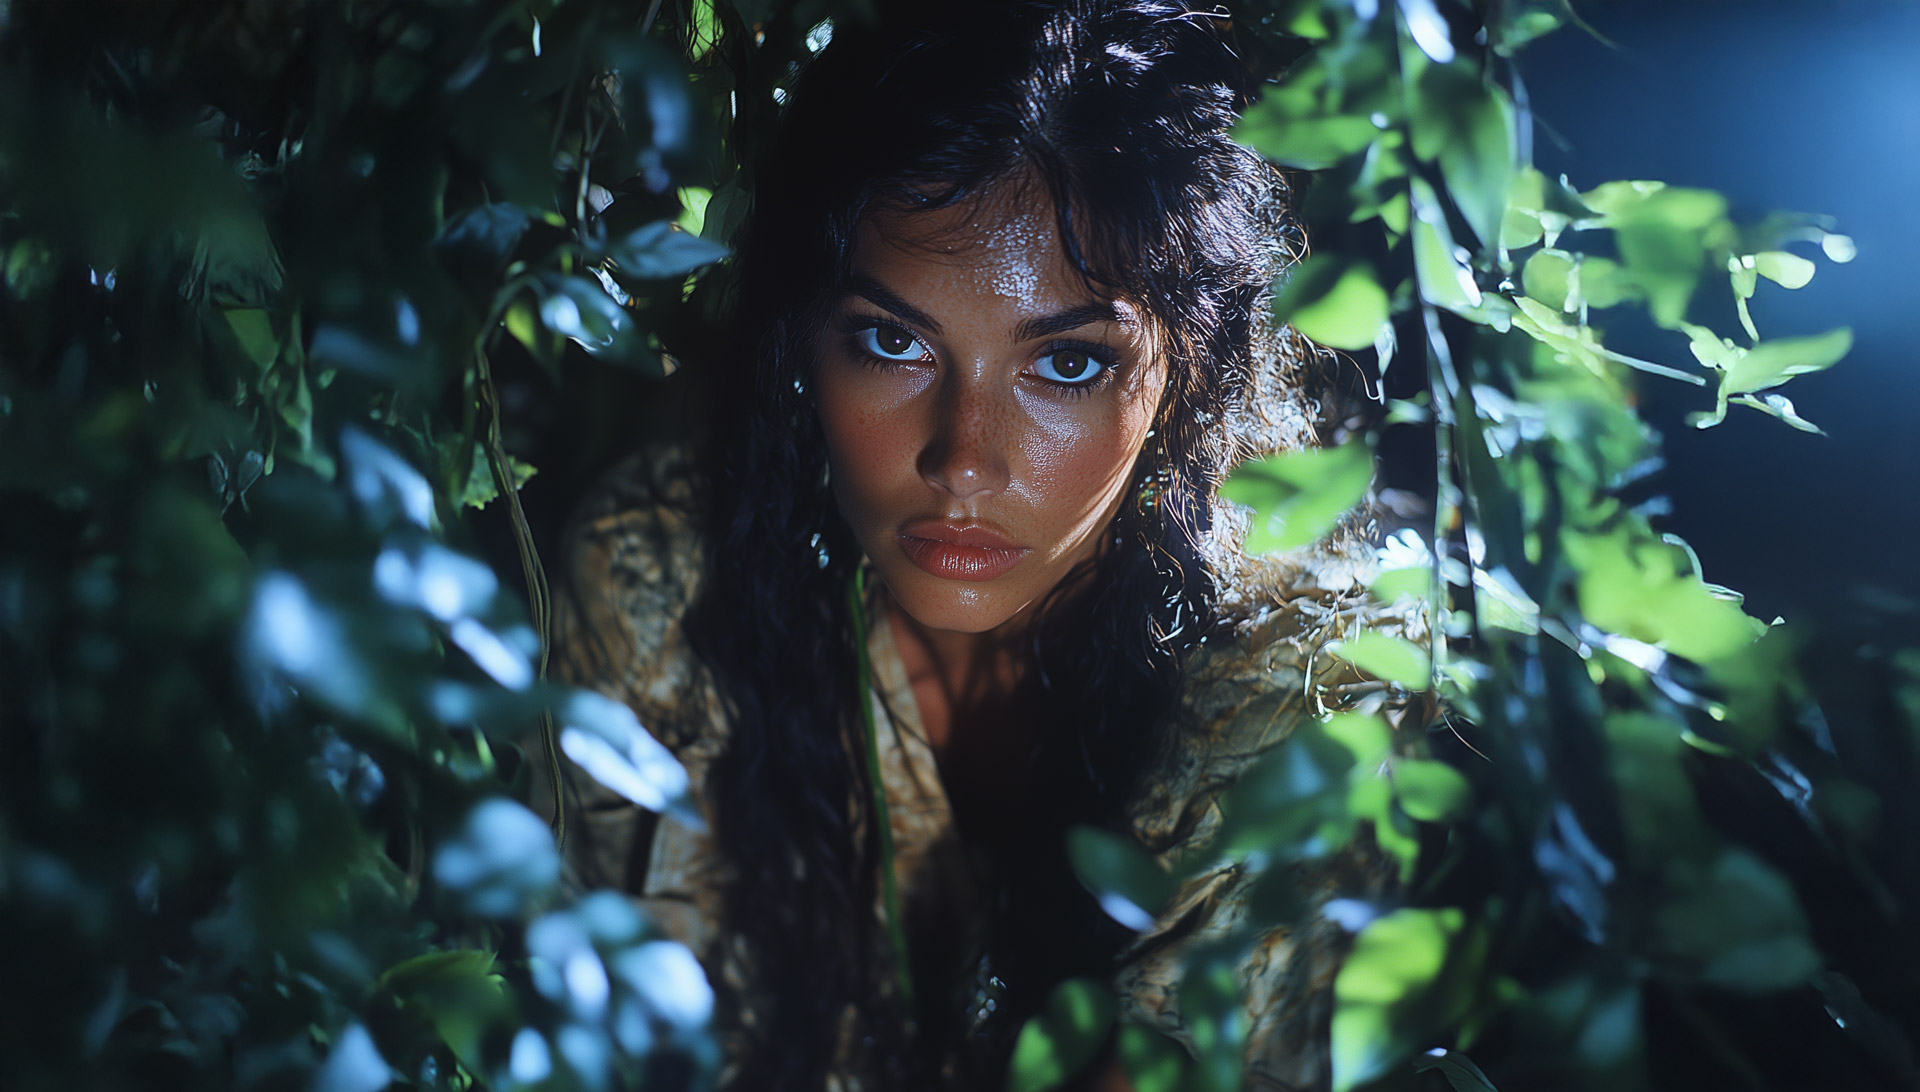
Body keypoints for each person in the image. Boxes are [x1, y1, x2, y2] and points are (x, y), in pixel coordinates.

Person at [542, 2, 1428, 1089]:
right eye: (891, 342)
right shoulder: (660, 578)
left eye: (1068, 364)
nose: (964, 461)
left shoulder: (1311, 698)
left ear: (1184, 380)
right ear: (802, 345)